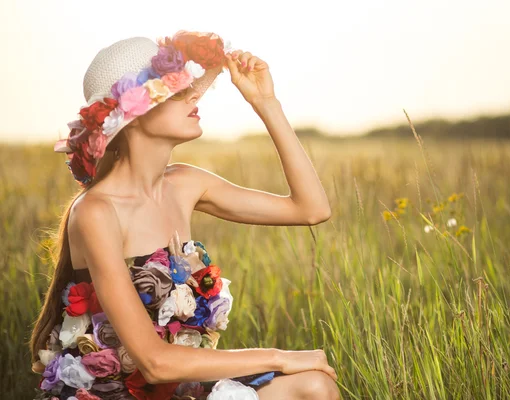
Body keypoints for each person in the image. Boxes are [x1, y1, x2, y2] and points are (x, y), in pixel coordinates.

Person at [27, 30, 339, 400]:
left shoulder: (186, 184)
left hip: (178, 387)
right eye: (174, 92)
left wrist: (266, 103)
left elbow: (311, 209)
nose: (194, 94)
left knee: (316, 385)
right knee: (303, 376)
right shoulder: (96, 212)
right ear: (131, 117)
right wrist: (279, 358)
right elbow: (154, 363)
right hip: (114, 393)